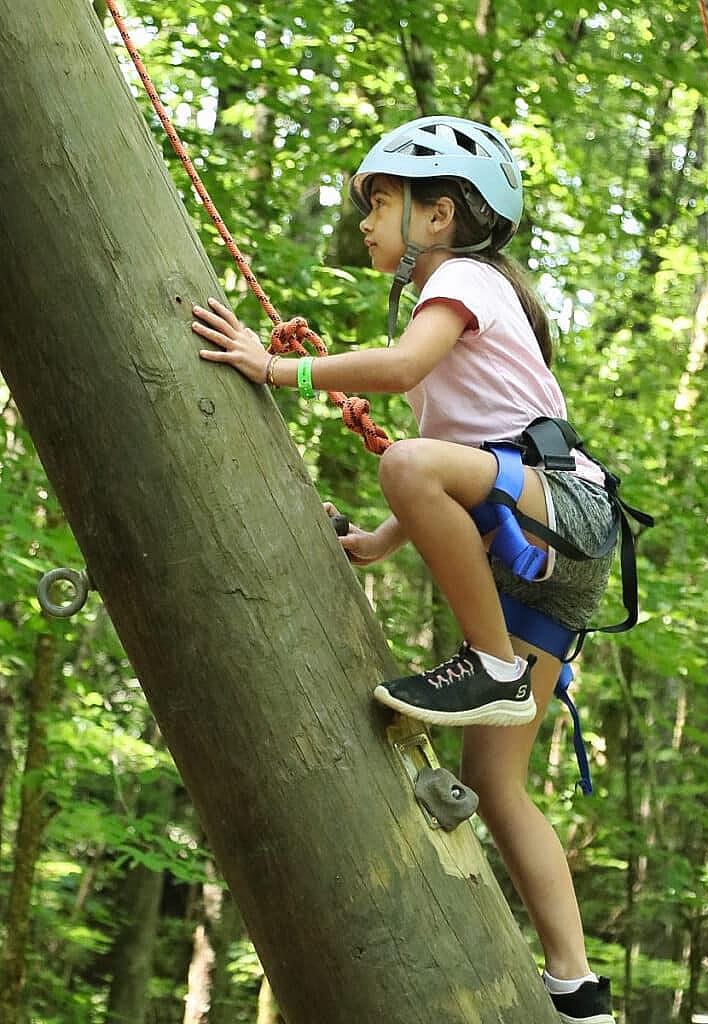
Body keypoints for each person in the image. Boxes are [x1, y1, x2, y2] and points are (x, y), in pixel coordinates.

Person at [192, 116, 619, 1024]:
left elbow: (401, 381)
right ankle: (575, 989)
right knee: (498, 787)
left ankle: (490, 664)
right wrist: (384, 539)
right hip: (543, 549)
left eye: (380, 202)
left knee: (406, 463)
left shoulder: (463, 278)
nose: (366, 221)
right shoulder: (457, 294)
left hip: (559, 513)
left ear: (440, 216)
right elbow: (453, 454)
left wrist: (275, 368)